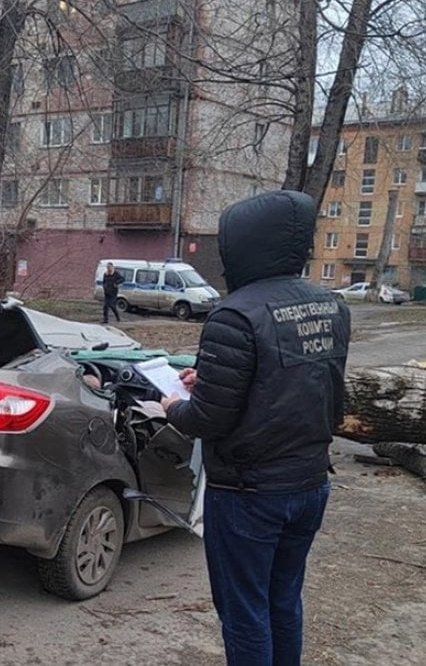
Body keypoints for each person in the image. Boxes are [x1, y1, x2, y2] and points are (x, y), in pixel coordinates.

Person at [161, 190, 351, 666]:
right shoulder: (330, 305)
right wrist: (213, 378)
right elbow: (294, 380)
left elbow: (207, 419)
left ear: (240, 245)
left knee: (245, 613)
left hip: (249, 493)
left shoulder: (235, 313)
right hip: (309, 484)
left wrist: (171, 405)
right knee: (283, 599)